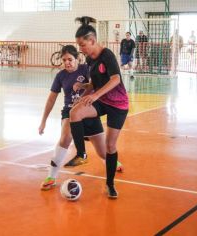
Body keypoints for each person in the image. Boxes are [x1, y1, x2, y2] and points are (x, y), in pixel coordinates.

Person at [39, 45, 124, 190]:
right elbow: (51, 99)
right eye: (64, 60)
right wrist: (43, 121)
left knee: (103, 151)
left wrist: (84, 88)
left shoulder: (87, 68)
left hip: (88, 109)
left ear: (77, 58)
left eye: (70, 59)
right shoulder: (60, 76)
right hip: (70, 111)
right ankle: (51, 176)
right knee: (65, 137)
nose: (67, 63)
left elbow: (94, 85)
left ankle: (110, 161)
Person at [66, 16, 129, 198]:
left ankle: (110, 184)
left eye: (82, 45)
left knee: (110, 146)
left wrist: (94, 96)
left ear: (92, 40)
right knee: (75, 112)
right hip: (102, 100)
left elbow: (115, 79)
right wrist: (86, 90)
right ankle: (81, 154)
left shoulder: (106, 55)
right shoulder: (90, 59)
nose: (81, 49)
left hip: (118, 105)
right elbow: (95, 82)